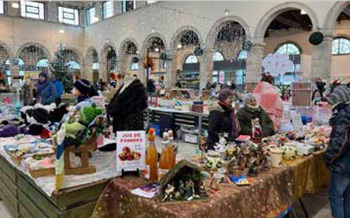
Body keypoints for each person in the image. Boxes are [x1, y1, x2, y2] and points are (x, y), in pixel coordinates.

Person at [324, 85, 350, 218]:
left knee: (335, 197)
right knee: (347, 196)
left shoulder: (343, 116)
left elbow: (339, 144)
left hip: (344, 164)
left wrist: (328, 158)